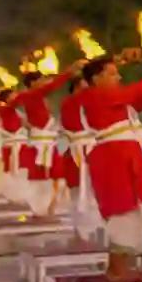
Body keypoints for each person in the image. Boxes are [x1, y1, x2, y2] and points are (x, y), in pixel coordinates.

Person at [81, 52, 142, 278]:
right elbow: (140, 91)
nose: (118, 77)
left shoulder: (113, 99)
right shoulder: (95, 96)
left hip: (123, 158)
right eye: (112, 74)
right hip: (113, 161)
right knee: (122, 214)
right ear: (96, 79)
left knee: (135, 212)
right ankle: (116, 271)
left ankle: (120, 268)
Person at [12, 66, 83, 215]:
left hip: (49, 142)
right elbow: (54, 85)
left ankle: (51, 206)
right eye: (41, 80)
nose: (44, 82)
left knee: (55, 175)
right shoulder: (33, 94)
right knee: (43, 177)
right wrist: (70, 71)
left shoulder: (33, 96)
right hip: (41, 144)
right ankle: (43, 207)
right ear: (32, 83)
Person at [58, 73, 102, 240]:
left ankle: (86, 232)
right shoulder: (72, 103)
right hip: (81, 153)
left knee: (89, 194)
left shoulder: (74, 102)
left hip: (87, 151)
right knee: (80, 194)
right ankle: (83, 232)